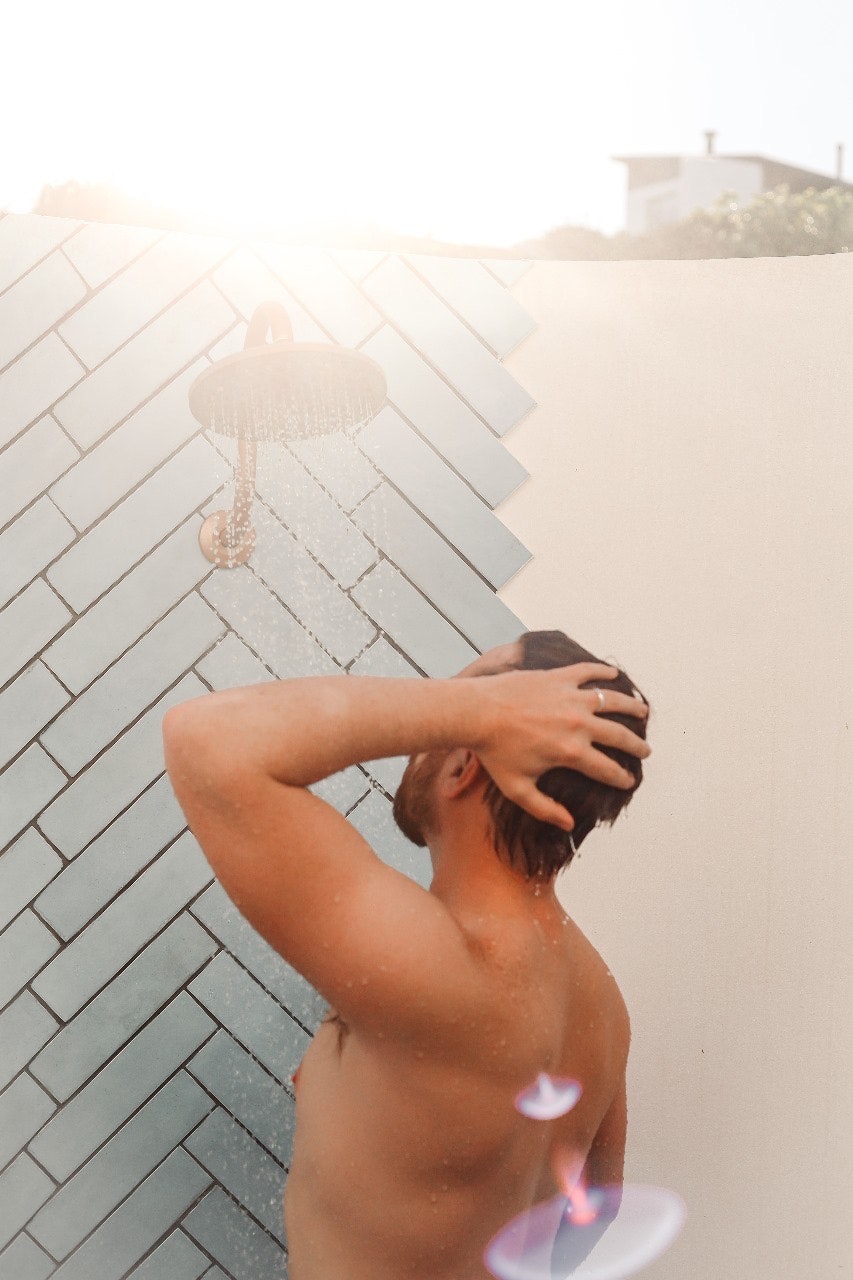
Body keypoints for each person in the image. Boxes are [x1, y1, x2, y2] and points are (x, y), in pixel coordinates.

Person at [162, 629, 651, 1280]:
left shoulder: (445, 968)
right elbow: (593, 1216)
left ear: (466, 761)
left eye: (460, 703)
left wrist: (477, 711)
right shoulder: (601, 1006)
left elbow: (205, 740)